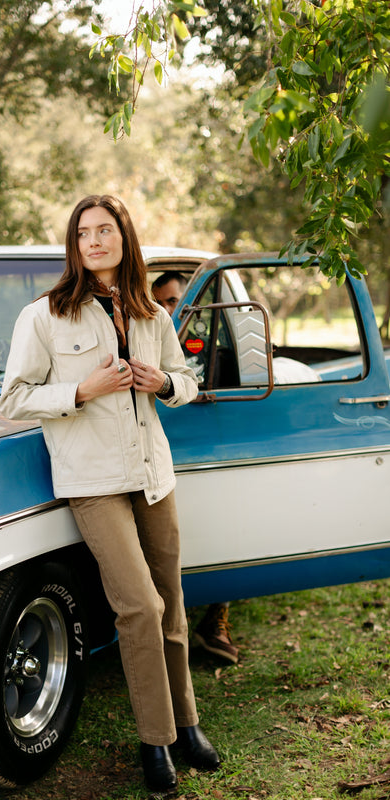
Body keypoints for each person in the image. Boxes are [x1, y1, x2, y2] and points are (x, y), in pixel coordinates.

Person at [0, 195, 220, 793]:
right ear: (73, 246)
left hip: (154, 477)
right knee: (139, 609)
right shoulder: (43, 315)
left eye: (106, 230)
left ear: (125, 239)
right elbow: (13, 396)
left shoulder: (151, 313)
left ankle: (189, 725)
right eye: (84, 233)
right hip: (94, 485)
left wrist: (166, 382)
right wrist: (82, 389)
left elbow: (189, 381)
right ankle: (156, 742)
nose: (94, 241)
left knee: (172, 602)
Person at [152, 272, 239, 667]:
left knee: (218, 523)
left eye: (176, 301)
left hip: (206, 443)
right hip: (154, 456)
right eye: (165, 303)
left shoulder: (219, 351)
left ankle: (216, 616)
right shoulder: (143, 336)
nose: (172, 311)